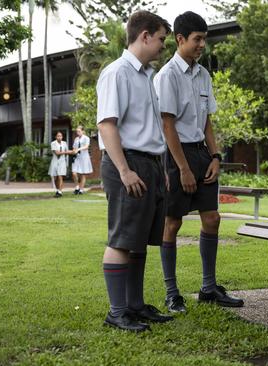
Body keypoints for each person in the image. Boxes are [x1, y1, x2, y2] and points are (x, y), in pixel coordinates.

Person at [154, 11, 243, 313]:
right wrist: (182, 168)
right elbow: (167, 125)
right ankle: (172, 293)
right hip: (175, 154)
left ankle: (208, 288)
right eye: (197, 39)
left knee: (213, 218)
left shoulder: (203, 74)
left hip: (202, 152)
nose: (202, 45)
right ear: (180, 39)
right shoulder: (166, 76)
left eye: (204, 39)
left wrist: (216, 156)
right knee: (172, 223)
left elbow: (207, 122)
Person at [96, 10, 173, 332]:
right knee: (121, 239)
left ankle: (135, 305)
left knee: (139, 240)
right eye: (160, 40)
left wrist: (161, 167)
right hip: (127, 162)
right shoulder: (117, 73)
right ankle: (117, 312)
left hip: (150, 164)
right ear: (144, 36)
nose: (162, 46)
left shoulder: (145, 75)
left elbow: (148, 126)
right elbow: (107, 124)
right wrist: (125, 171)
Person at [70, 125, 93, 194]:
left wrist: (78, 149)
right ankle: (77, 186)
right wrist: (74, 151)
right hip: (77, 157)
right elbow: (74, 147)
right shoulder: (76, 139)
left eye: (79, 131)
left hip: (84, 157)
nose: (78, 133)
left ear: (83, 131)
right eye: (77, 131)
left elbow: (86, 147)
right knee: (74, 173)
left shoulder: (86, 138)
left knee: (83, 174)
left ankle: (81, 190)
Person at [48, 131, 70, 197]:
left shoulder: (64, 143)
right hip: (55, 161)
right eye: (58, 136)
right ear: (56, 137)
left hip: (62, 161)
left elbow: (67, 153)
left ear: (62, 137)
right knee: (55, 177)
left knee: (60, 176)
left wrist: (66, 155)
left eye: (60, 136)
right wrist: (66, 152)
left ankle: (60, 191)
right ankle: (57, 190)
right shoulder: (53, 143)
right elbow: (57, 153)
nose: (59, 137)